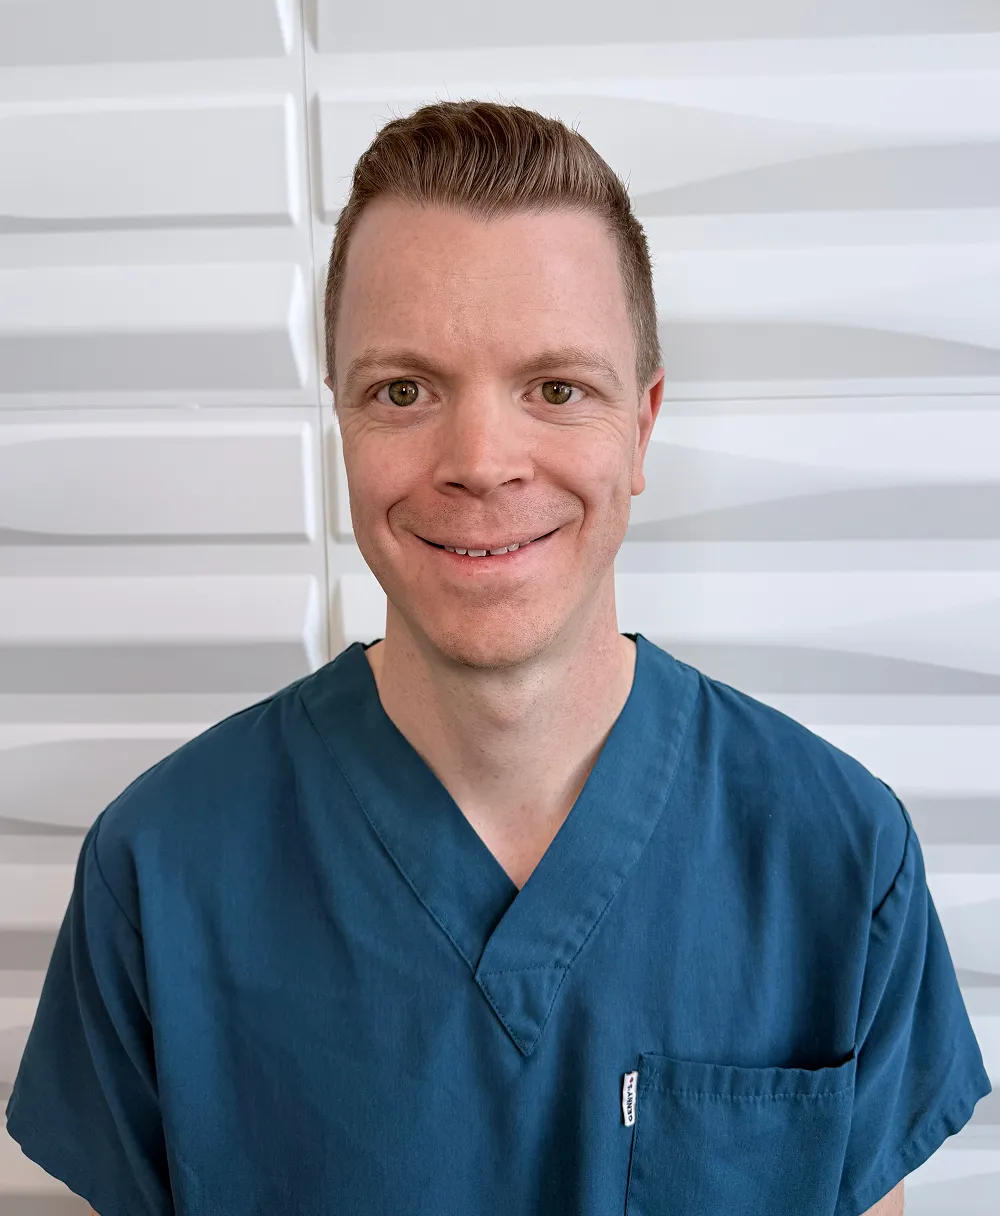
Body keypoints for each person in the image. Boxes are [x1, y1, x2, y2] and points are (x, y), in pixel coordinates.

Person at [5, 100, 990, 1216]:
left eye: (556, 388)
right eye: (404, 391)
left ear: (643, 428)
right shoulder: (161, 873)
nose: (479, 461)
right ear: (343, 424)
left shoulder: (836, 857)